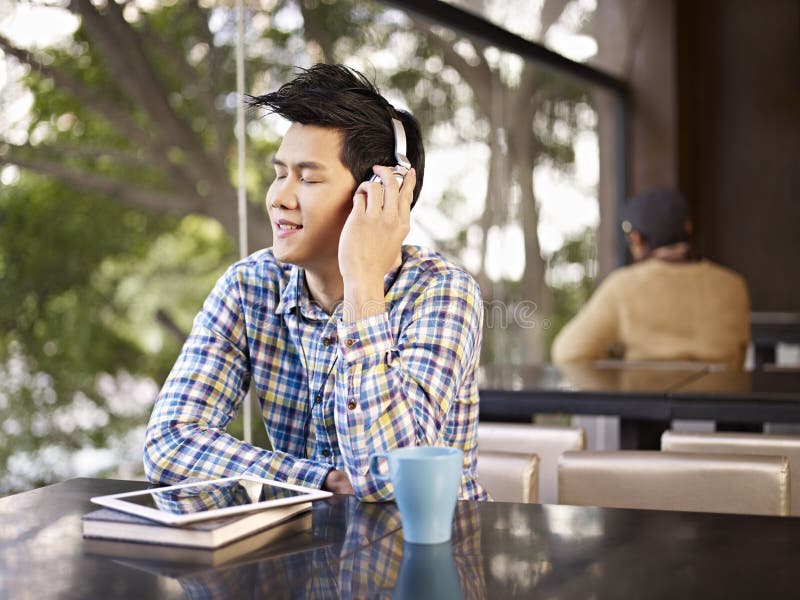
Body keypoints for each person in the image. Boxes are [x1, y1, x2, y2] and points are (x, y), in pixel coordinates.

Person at [143, 64, 487, 502]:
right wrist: (316, 479)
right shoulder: (251, 286)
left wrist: (362, 282)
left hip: (430, 555)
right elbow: (168, 444)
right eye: (279, 173)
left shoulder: (442, 293)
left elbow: (391, 482)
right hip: (306, 555)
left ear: (381, 192)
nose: (279, 198)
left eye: (307, 178)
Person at [552, 188, 750, 370]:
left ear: (636, 238)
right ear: (688, 228)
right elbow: (739, 356)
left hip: (647, 405)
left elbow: (568, 353)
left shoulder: (624, 286)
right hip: (720, 406)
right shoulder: (733, 285)